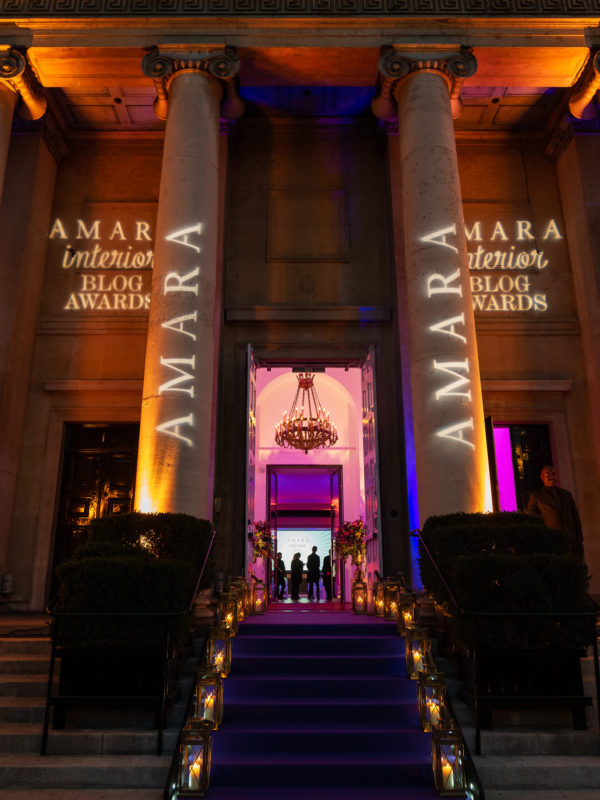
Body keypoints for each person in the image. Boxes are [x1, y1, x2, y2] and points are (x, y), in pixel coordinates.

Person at [526, 465, 584, 560]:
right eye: (548, 474)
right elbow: (532, 520)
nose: (551, 476)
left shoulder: (566, 495)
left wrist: (579, 539)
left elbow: (575, 517)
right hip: (551, 542)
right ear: (542, 477)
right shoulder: (536, 496)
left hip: (571, 542)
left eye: (553, 474)